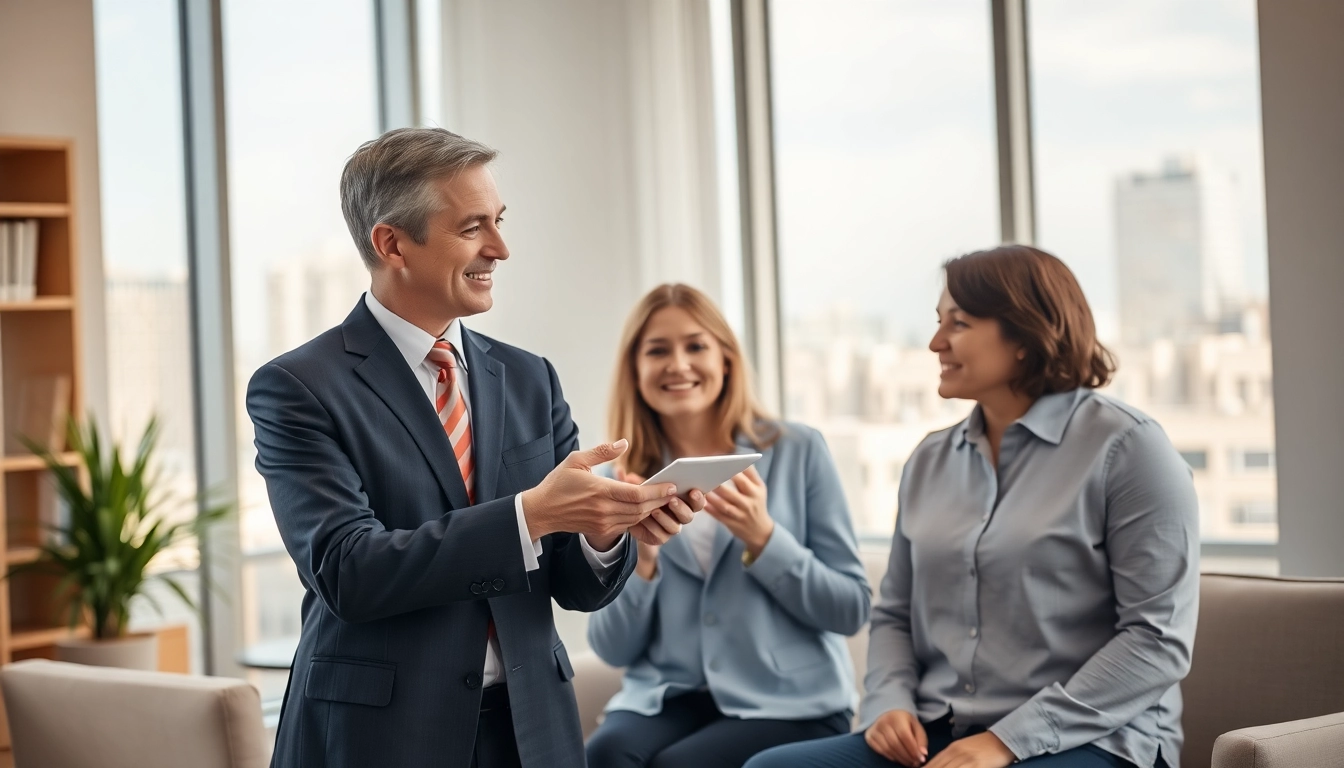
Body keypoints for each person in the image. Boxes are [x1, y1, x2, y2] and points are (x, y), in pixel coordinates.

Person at [246, 127, 705, 768]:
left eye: (499, 221)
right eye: (472, 228)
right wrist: (530, 516)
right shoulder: (298, 387)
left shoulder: (529, 377)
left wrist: (605, 532)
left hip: (532, 731)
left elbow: (575, 586)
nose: (501, 248)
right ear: (392, 244)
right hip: (382, 739)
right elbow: (349, 572)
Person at [746, 245, 1199, 768]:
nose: (936, 342)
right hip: (945, 728)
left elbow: (1156, 641)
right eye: (938, 322)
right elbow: (895, 613)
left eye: (958, 324)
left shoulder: (1130, 450)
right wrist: (889, 702)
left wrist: (1007, 741)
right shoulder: (929, 459)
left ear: (1026, 335)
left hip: (1091, 739)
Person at [584, 284, 871, 768]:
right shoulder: (621, 480)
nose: (678, 364)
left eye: (696, 346)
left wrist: (764, 538)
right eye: (657, 350)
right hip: (670, 696)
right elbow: (612, 648)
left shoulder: (798, 450)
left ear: (727, 360)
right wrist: (642, 561)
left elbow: (850, 610)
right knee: (604, 755)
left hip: (790, 701)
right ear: (634, 369)